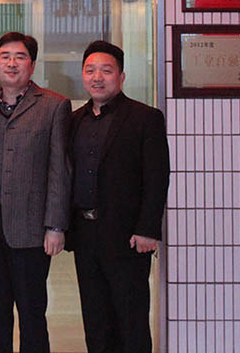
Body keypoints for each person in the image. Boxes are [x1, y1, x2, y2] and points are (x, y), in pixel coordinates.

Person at [0, 32, 72, 353]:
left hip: (31, 225)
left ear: (32, 65)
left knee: (31, 310)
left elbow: (60, 169)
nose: (12, 63)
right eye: (5, 56)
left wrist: (55, 225)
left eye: (20, 57)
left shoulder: (54, 106)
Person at [67, 40, 170, 353]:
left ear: (121, 76)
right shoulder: (74, 120)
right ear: (83, 75)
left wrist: (148, 229)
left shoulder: (145, 118)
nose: (97, 77)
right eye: (90, 70)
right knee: (95, 320)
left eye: (106, 70)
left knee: (131, 320)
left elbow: (157, 177)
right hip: (85, 235)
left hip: (127, 238)